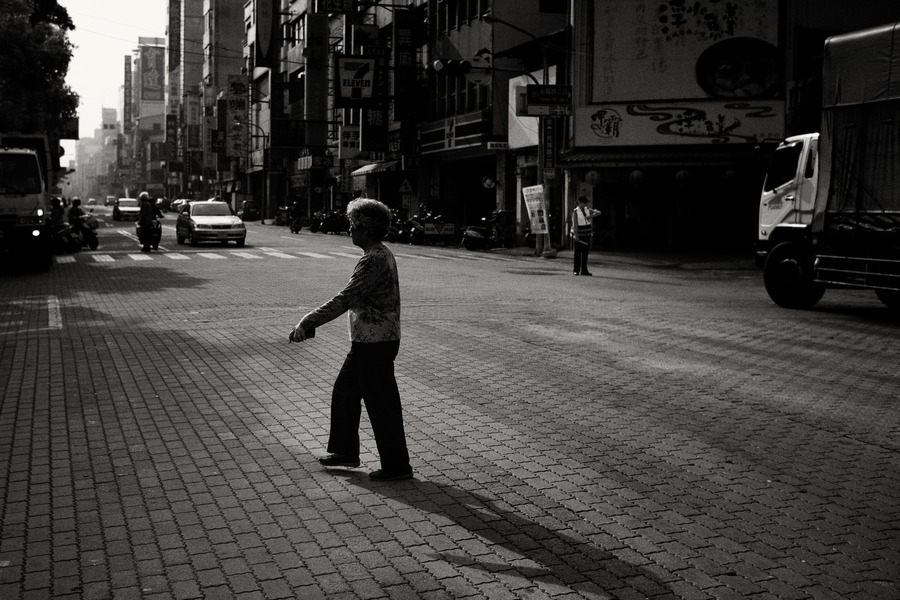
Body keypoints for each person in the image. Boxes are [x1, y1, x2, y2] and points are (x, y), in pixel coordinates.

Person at [289, 198, 413, 481]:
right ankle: (346, 451)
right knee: (345, 392)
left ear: (365, 228)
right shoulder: (378, 254)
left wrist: (308, 321)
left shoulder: (374, 259)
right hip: (368, 341)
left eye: (353, 225)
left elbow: (346, 298)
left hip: (376, 343)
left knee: (381, 404)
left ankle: (397, 466)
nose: (350, 230)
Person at [571, 196, 601, 276]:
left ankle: (584, 270)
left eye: (586, 203)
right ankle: (576, 270)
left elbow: (598, 213)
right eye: (584, 203)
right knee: (577, 253)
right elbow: (575, 225)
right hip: (579, 234)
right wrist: (576, 236)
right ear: (579, 203)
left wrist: (590, 216)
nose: (585, 204)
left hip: (587, 234)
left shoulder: (588, 210)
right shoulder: (575, 212)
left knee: (585, 253)